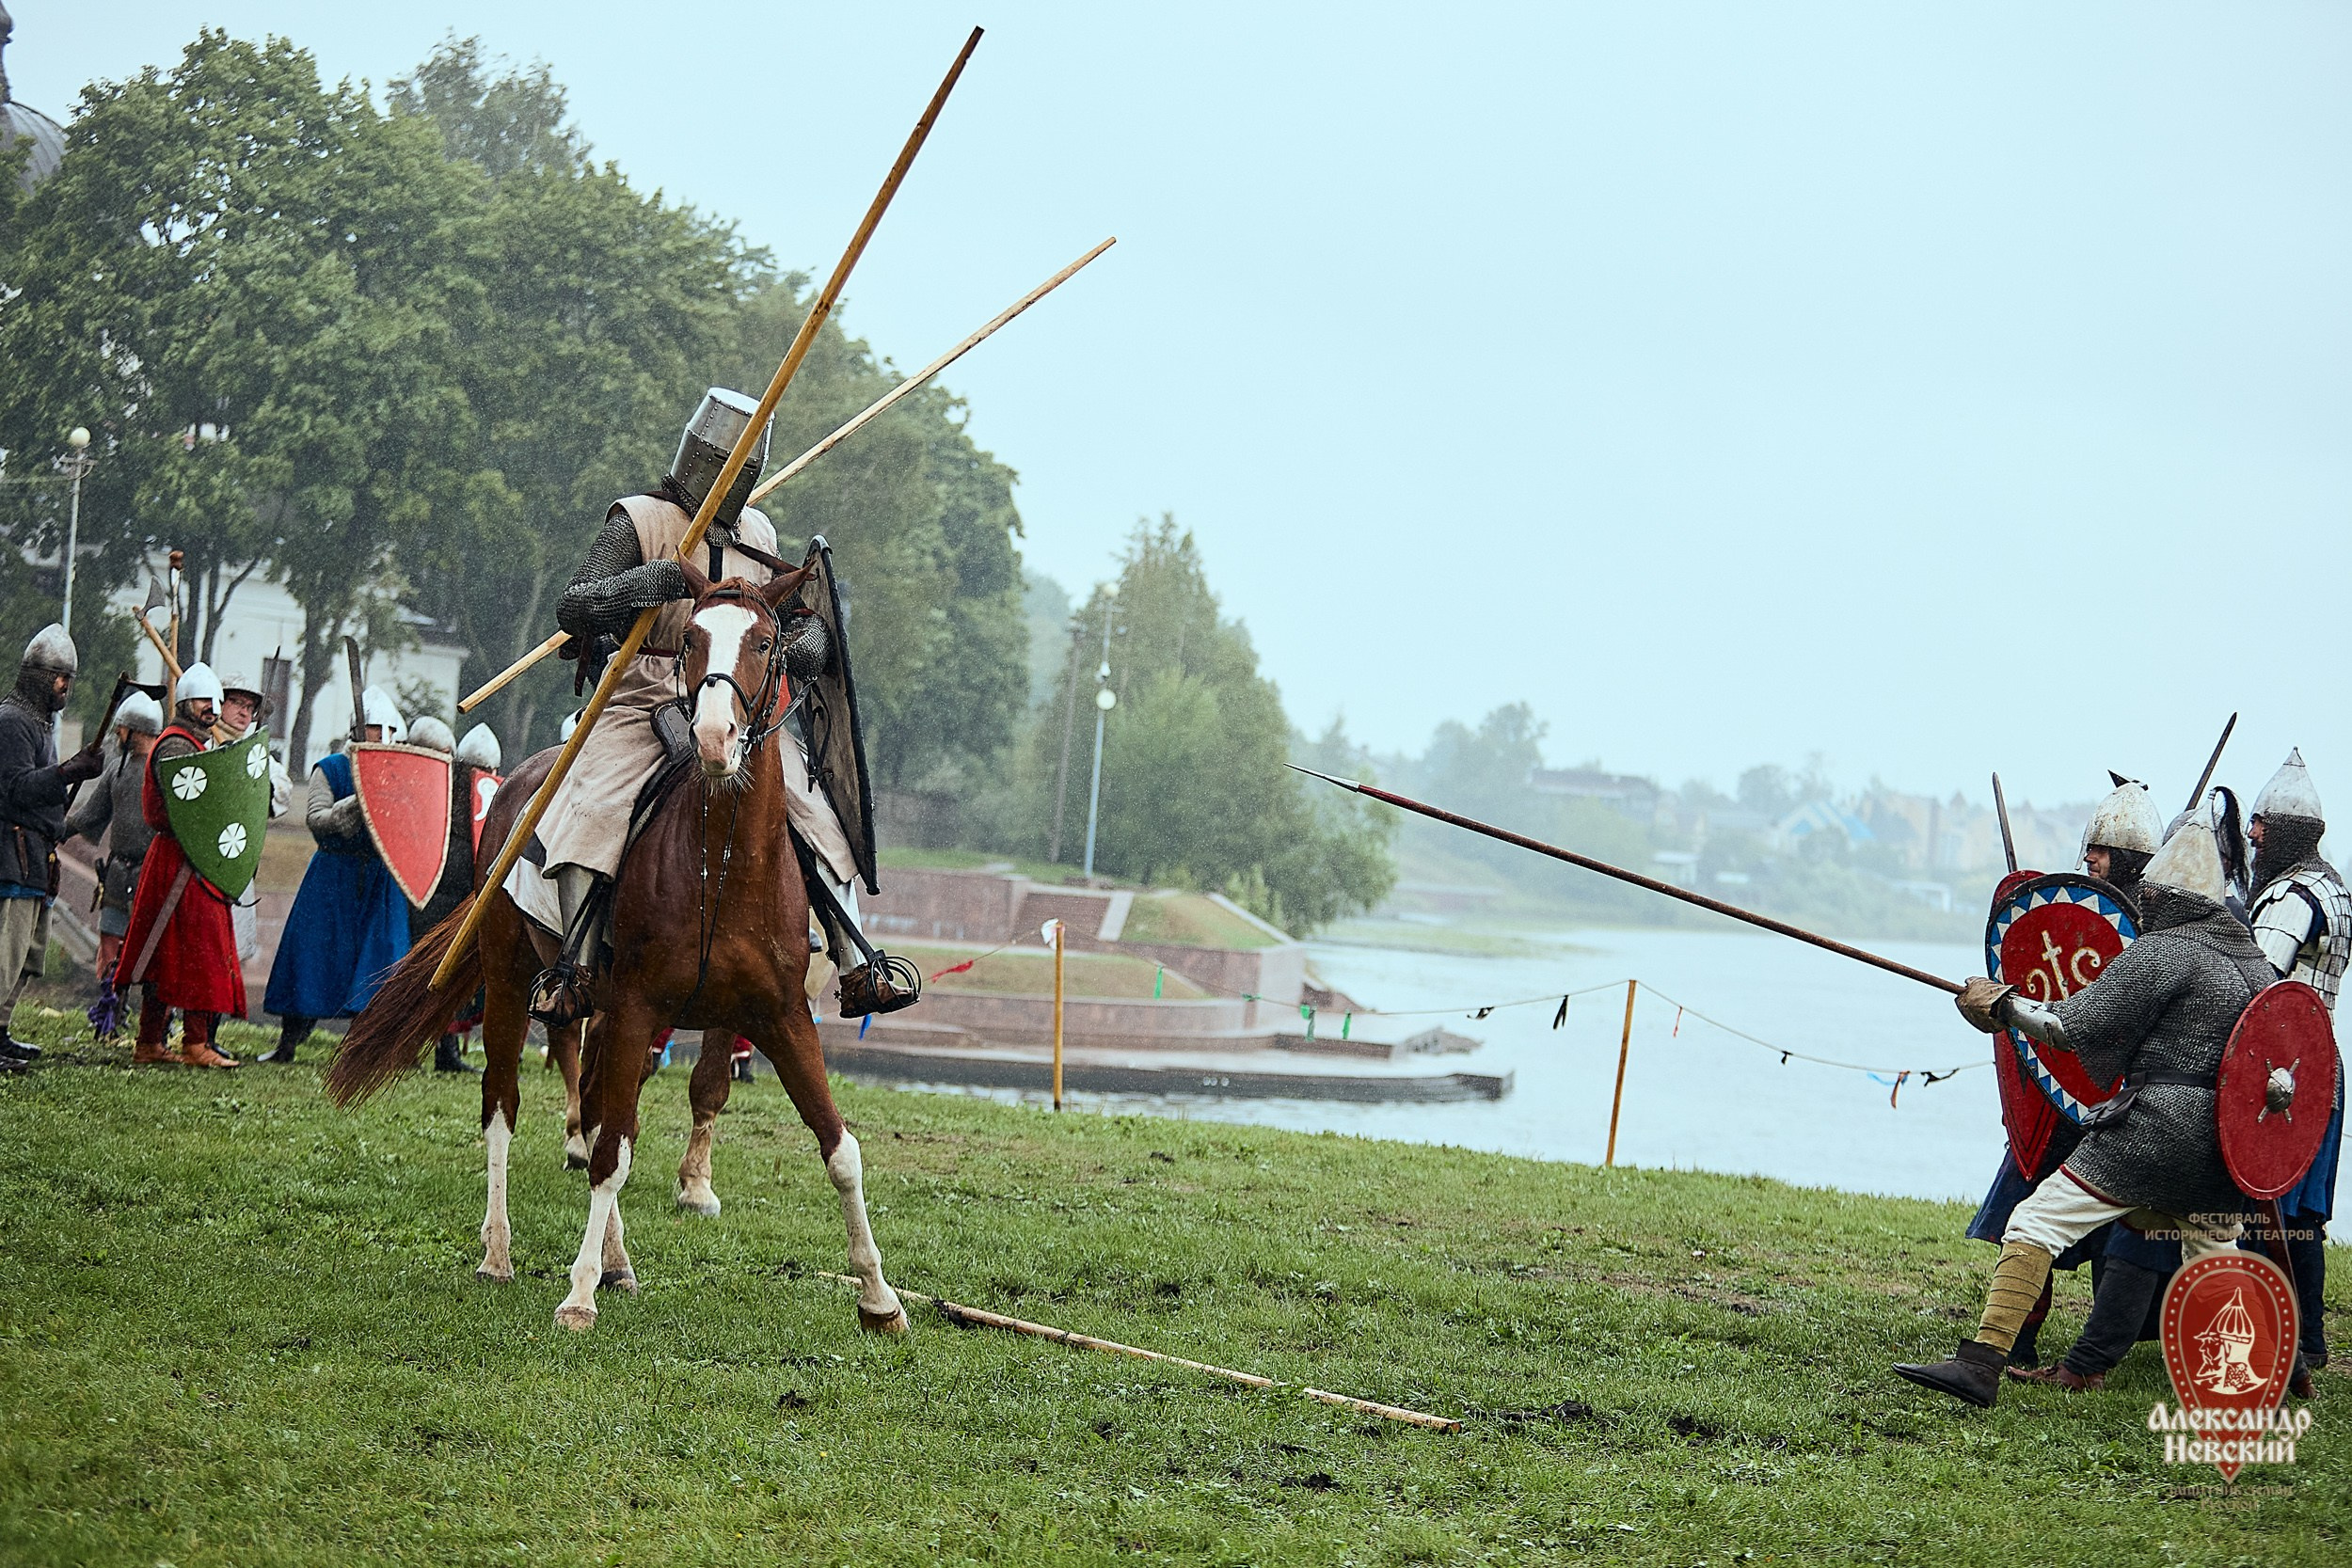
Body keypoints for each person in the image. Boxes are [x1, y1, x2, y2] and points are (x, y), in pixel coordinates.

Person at [527, 387, 911, 1026]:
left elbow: (789, 615)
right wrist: (648, 582)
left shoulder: (756, 530)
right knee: (598, 804)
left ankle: (855, 962)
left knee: (814, 812)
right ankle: (576, 968)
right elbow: (574, 606)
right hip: (643, 687)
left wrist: (801, 644)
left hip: (737, 698)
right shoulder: (639, 519)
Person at [1897, 818, 2274, 1407]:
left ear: (2168, 896)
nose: (2143, 899)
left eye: (2152, 892)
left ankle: (1980, 1364)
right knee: (2212, 1252)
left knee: (2033, 1223)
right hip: (2221, 1142)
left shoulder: (2163, 952)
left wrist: (2003, 1005)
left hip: (2154, 1129)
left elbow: (2070, 1028)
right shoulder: (2255, 967)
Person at [1962, 773, 2163, 1368]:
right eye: (2089, 849)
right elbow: (2051, 999)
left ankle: (2099, 1354)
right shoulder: (2078, 919)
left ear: (2129, 857)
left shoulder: (2159, 937)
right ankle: (2018, 1342)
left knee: (2125, 1236)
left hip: (2124, 1107)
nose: (2089, 858)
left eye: (2100, 850)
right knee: (2023, 1216)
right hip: (2061, 1106)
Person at [2243, 749, 2347, 1372]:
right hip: (2322, 1063)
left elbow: (2255, 978)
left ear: (2285, 832)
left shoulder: (2292, 895)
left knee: (2275, 1208)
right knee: (2302, 1214)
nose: (2253, 835)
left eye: (2261, 824)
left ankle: (2287, 1339)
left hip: (2282, 1070)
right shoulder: (2336, 888)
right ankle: (2308, 1338)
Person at [256, 688, 410, 1063]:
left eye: (386, 730)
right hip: (333, 873)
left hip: (380, 878)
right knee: (310, 954)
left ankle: (362, 1047)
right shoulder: (331, 768)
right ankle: (288, 1042)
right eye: (374, 729)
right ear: (358, 728)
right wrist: (356, 803)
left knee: (378, 959)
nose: (381, 737)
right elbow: (316, 819)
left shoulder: (401, 770)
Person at [111, 663, 243, 1069]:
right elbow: (189, 809)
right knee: (185, 952)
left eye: (214, 701)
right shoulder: (176, 746)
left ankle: (156, 1042)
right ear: (185, 702)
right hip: (179, 859)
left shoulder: (198, 744)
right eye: (204, 700)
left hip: (195, 858)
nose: (212, 707)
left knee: (179, 952)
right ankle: (189, 1044)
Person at [0, 625, 105, 1069]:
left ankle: (0, 1032)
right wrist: (66, 771)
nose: (66, 687)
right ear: (41, 676)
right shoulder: (12, 722)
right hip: (12, 852)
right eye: (62, 677)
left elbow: (41, 796)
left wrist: (69, 783)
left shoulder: (39, 724)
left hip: (35, 858)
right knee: (4, 954)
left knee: (24, 957)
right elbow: (15, 789)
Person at [66, 689, 163, 985]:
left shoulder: (166, 771)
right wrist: (55, 829)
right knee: (110, 946)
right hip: (118, 872)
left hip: (153, 874)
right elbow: (90, 816)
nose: (117, 734)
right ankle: (109, 1012)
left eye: (120, 728)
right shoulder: (116, 771)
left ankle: (152, 1020)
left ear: (134, 730)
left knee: (152, 951)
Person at [405, 716, 479, 1074]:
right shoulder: (413, 786)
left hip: (457, 898)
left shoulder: (467, 792)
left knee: (448, 979)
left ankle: (446, 1051)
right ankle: (406, 1050)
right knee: (418, 977)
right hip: (421, 897)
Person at [216, 670, 292, 967]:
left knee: (230, 951)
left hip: (237, 860)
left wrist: (252, 779)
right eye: (236, 703)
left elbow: (281, 790)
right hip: (196, 862)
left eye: (250, 707)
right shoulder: (200, 744)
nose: (244, 712)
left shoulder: (255, 752)